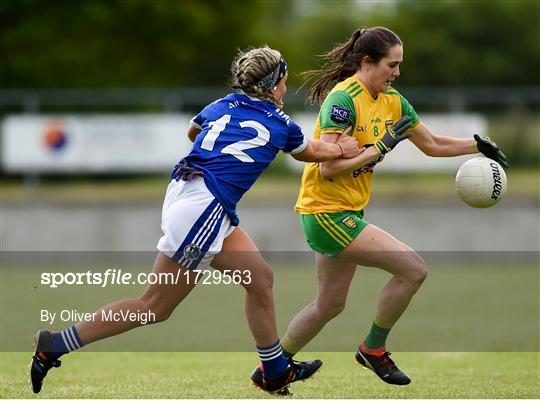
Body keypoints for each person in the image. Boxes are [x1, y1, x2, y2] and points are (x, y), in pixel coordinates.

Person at [29, 46, 362, 396]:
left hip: (189, 193)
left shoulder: (221, 104)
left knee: (260, 278)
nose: (285, 85)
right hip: (206, 209)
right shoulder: (281, 123)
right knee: (154, 306)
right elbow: (312, 152)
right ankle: (55, 344)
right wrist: (344, 149)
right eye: (284, 79)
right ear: (275, 83)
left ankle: (275, 371)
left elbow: (193, 132)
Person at [250, 27, 509, 386]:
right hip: (326, 213)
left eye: (400, 65)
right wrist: (381, 147)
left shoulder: (393, 100)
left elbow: (431, 144)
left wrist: (477, 146)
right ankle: (373, 350)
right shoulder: (343, 101)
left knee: (329, 305)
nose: (397, 72)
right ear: (367, 62)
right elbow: (328, 167)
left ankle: (272, 371)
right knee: (413, 269)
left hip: (345, 212)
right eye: (392, 64)